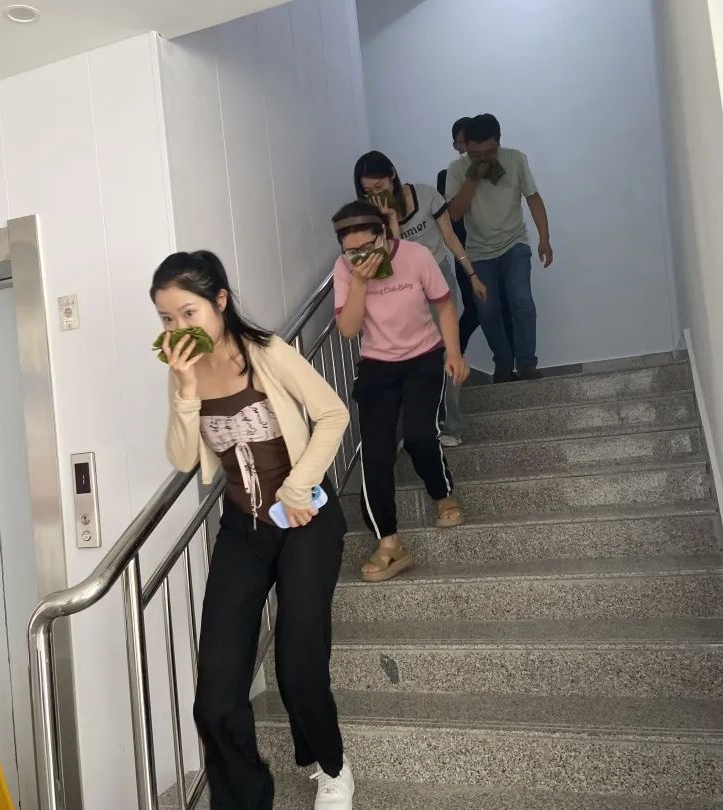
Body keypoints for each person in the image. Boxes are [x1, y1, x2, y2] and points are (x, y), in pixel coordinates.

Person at [155, 250, 355, 809]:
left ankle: (333, 767)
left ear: (219, 302)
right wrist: (185, 391)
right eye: (167, 319)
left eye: (189, 313)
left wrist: (298, 487)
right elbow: (183, 458)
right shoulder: (182, 373)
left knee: (297, 661)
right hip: (243, 529)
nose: (178, 327)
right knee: (215, 693)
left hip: (305, 519)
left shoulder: (267, 352)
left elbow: (333, 413)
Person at [332, 202, 470, 583]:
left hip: (424, 357)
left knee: (420, 435)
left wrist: (454, 353)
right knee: (375, 455)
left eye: (367, 247)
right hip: (377, 366)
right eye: (351, 251)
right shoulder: (345, 270)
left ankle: (442, 494)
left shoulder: (416, 256)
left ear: (383, 233)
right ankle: (389, 543)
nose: (360, 256)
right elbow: (348, 329)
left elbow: (444, 306)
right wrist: (359, 281)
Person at [353, 150, 486, 447]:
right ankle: (421, 427)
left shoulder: (425, 195)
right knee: (412, 359)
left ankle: (452, 425)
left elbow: (450, 238)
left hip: (438, 279)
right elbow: (395, 263)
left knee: (447, 351)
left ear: (392, 175)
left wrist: (472, 274)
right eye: (368, 191)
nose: (375, 195)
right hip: (402, 289)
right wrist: (389, 221)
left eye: (379, 186)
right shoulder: (371, 216)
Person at [445, 113, 554, 382]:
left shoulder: (516, 159)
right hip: (479, 251)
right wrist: (473, 178)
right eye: (475, 153)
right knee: (487, 310)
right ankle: (503, 363)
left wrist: (544, 239)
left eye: (489, 152)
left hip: (514, 242)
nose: (483, 157)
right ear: (466, 147)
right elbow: (455, 214)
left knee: (521, 301)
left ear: (499, 142)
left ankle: (527, 362)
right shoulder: (456, 169)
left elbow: (533, 198)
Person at [438, 117, 518, 368]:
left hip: (497, 248)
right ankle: (452, 356)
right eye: (463, 143)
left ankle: (510, 366)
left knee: (507, 305)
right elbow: (451, 218)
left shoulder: (498, 168)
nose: (468, 148)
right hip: (466, 252)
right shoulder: (448, 175)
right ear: (456, 146)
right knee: (476, 309)